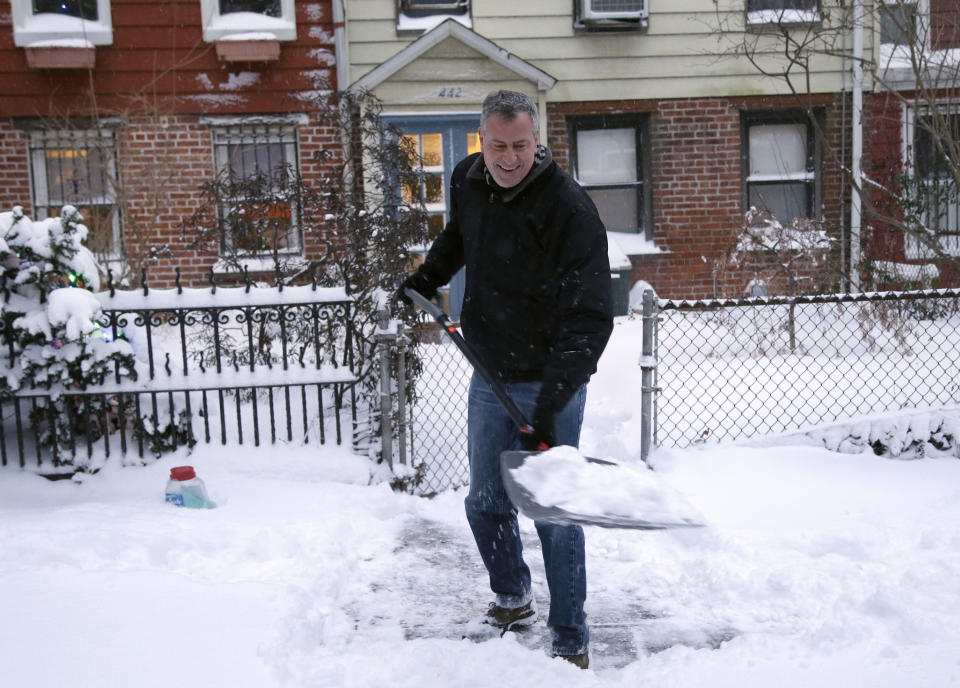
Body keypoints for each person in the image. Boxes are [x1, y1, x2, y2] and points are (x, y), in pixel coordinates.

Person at [396, 90, 613, 669]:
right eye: (498, 146)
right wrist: (429, 275)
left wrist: (553, 398)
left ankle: (569, 636)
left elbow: (590, 315)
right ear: (481, 141)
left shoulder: (569, 208)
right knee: (485, 502)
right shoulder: (469, 177)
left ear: (537, 141)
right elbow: (460, 237)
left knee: (553, 513)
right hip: (489, 368)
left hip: (551, 378)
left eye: (521, 145)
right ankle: (513, 595)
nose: (510, 157)